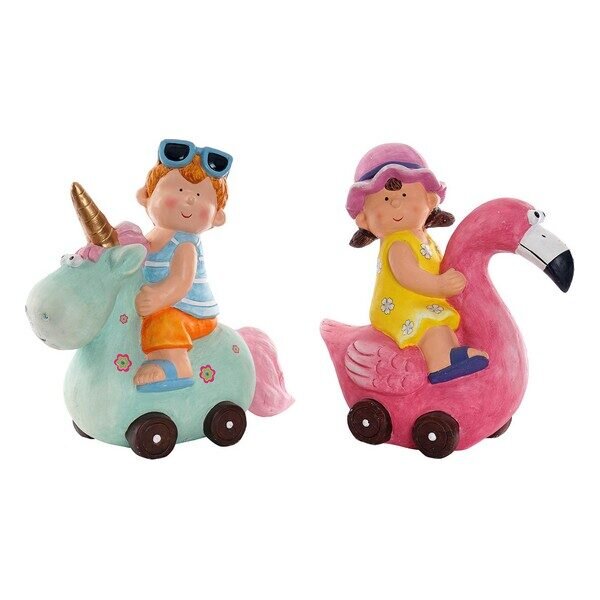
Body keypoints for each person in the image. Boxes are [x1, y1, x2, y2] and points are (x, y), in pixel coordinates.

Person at [346, 143, 489, 384]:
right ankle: (441, 363)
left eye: (403, 195)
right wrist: (440, 286)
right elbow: (408, 275)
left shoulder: (422, 238)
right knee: (431, 324)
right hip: (403, 306)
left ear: (430, 200)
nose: (395, 204)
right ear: (365, 220)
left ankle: (452, 351)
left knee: (442, 320)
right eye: (385, 199)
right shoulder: (398, 243)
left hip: (425, 300)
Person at [133, 139, 232, 392]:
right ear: (146, 195)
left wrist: (159, 296)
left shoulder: (184, 243)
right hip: (156, 306)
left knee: (164, 321)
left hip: (189, 312)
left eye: (200, 196)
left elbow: (181, 281)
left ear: (217, 216)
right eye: (178, 189)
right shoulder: (147, 239)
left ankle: (177, 368)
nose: (189, 199)